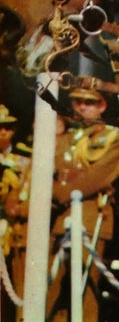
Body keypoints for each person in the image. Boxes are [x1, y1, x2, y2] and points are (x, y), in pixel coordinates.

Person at [47, 88, 119, 321]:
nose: (82, 107)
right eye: (77, 102)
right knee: (54, 290)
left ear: (102, 105)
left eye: (89, 102)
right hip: (60, 218)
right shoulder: (68, 137)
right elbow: (48, 170)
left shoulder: (113, 137)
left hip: (89, 216)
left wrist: (56, 196)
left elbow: (95, 178)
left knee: (83, 288)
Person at [0, 104, 30, 321]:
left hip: (15, 229)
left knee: (13, 283)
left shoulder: (24, 160)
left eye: (8, 127)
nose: (3, 132)